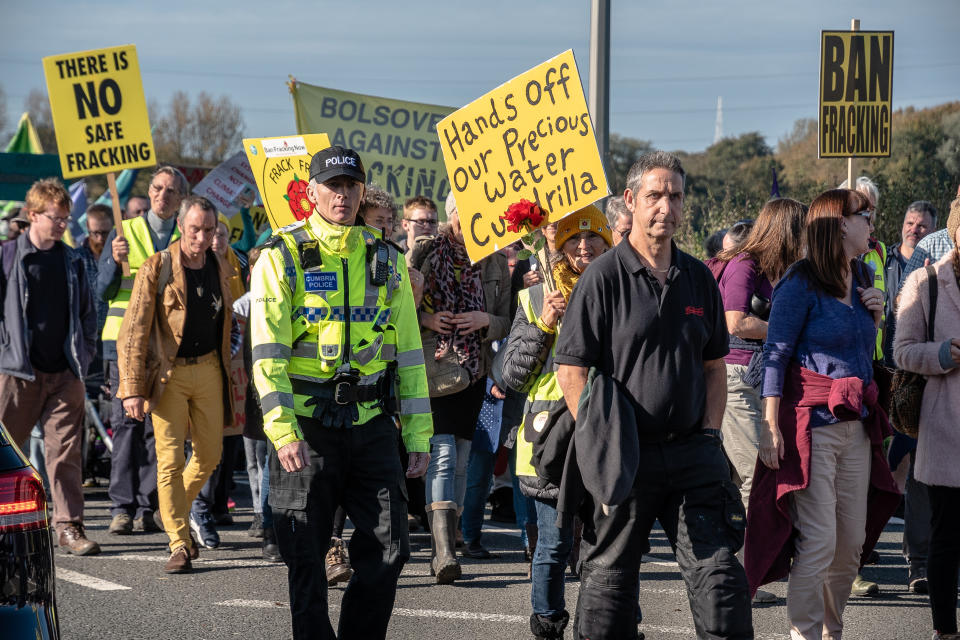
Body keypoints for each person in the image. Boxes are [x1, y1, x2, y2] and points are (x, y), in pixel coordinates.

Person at [555, 151, 753, 639]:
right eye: (655, 195)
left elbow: (713, 367)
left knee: (720, 579)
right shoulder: (602, 277)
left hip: (692, 453)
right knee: (610, 585)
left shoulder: (698, 277)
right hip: (626, 455)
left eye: (676, 196)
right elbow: (571, 370)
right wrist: (602, 446)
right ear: (630, 201)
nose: (666, 206)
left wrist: (708, 434)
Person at [250, 145, 432, 640]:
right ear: (311, 192)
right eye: (333, 186)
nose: (343, 195)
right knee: (305, 556)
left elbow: (410, 357)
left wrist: (418, 435)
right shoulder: (282, 255)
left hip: (371, 422)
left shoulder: (387, 260)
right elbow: (267, 357)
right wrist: (282, 431)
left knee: (391, 547)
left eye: (352, 186)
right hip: (306, 428)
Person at [747, 188, 901, 640]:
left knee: (851, 547)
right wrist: (769, 425)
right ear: (838, 223)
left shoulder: (862, 275)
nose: (872, 222)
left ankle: (832, 630)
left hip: (855, 428)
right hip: (809, 430)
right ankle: (808, 635)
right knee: (817, 543)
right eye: (863, 214)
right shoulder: (799, 283)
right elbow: (775, 356)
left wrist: (876, 318)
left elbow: (857, 355)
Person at [502, 204, 612, 639]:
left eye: (593, 238)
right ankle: (548, 624)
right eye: (573, 239)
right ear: (560, 246)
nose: (584, 246)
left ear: (607, 241)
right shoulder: (534, 296)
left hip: (607, 429)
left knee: (610, 543)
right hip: (551, 436)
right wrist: (544, 325)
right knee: (553, 542)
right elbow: (511, 375)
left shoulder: (621, 288)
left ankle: (611, 622)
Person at [116, 195, 235, 573]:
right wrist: (132, 387)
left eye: (209, 230)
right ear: (181, 227)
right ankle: (179, 543)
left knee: (210, 453)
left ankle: (172, 513)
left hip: (211, 369)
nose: (202, 237)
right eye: (195, 229)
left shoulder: (220, 264)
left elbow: (229, 322)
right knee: (169, 460)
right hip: (168, 373)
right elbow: (133, 329)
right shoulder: (157, 266)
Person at [410, 190, 512, 585]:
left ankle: (448, 539)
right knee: (444, 455)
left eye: (479, 219)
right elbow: (398, 303)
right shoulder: (425, 251)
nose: (470, 226)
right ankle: (444, 552)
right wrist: (429, 318)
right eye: (463, 217)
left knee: (465, 460)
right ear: (450, 215)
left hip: (473, 370)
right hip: (432, 366)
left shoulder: (495, 259)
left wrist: (484, 318)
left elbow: (508, 320)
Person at [0, 178, 100, 556]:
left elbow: (89, 315)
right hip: (18, 373)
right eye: (55, 218)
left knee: (65, 455)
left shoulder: (72, 260)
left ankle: (69, 527)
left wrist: (82, 358)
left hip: (64, 374)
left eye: (65, 219)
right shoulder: (8, 256)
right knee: (7, 453)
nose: (62, 225)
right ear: (32, 216)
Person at [714, 199, 806, 604]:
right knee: (756, 477)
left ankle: (731, 574)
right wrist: (785, 331)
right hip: (735, 379)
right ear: (785, 230)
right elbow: (735, 320)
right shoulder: (745, 264)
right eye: (800, 229)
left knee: (741, 481)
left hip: (754, 378)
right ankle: (744, 581)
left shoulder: (773, 267)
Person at [97, 165, 189, 535]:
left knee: (160, 429)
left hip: (168, 347)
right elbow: (101, 291)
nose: (162, 195)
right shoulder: (125, 232)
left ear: (180, 198)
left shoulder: (186, 237)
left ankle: (151, 506)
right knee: (126, 427)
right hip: (124, 346)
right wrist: (111, 262)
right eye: (157, 188)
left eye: (170, 190)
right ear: (148, 192)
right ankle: (122, 507)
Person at [893, 198, 960, 640]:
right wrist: (941, 354)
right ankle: (944, 630)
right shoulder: (926, 281)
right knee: (946, 536)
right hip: (946, 428)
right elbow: (901, 351)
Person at [883, 200, 936, 594]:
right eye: (910, 222)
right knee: (913, 468)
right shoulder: (928, 253)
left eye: (922, 224)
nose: (914, 229)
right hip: (916, 379)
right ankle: (918, 561)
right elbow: (902, 317)